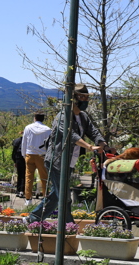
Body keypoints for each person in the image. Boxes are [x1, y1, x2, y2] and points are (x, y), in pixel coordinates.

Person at [26, 84, 106, 225]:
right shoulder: (62, 116)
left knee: (56, 194)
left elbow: (93, 131)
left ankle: (32, 219)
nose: (85, 101)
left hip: (69, 161)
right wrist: (88, 146)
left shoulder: (83, 116)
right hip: (57, 160)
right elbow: (71, 135)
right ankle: (68, 226)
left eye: (87, 98)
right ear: (72, 98)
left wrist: (103, 144)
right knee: (63, 195)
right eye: (82, 97)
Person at [22, 112, 51, 199]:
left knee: (29, 177)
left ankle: (28, 198)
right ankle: (45, 196)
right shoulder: (48, 130)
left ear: (35, 118)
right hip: (42, 155)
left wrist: (24, 154)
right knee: (44, 177)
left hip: (29, 154)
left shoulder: (28, 128)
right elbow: (50, 145)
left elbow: (24, 142)